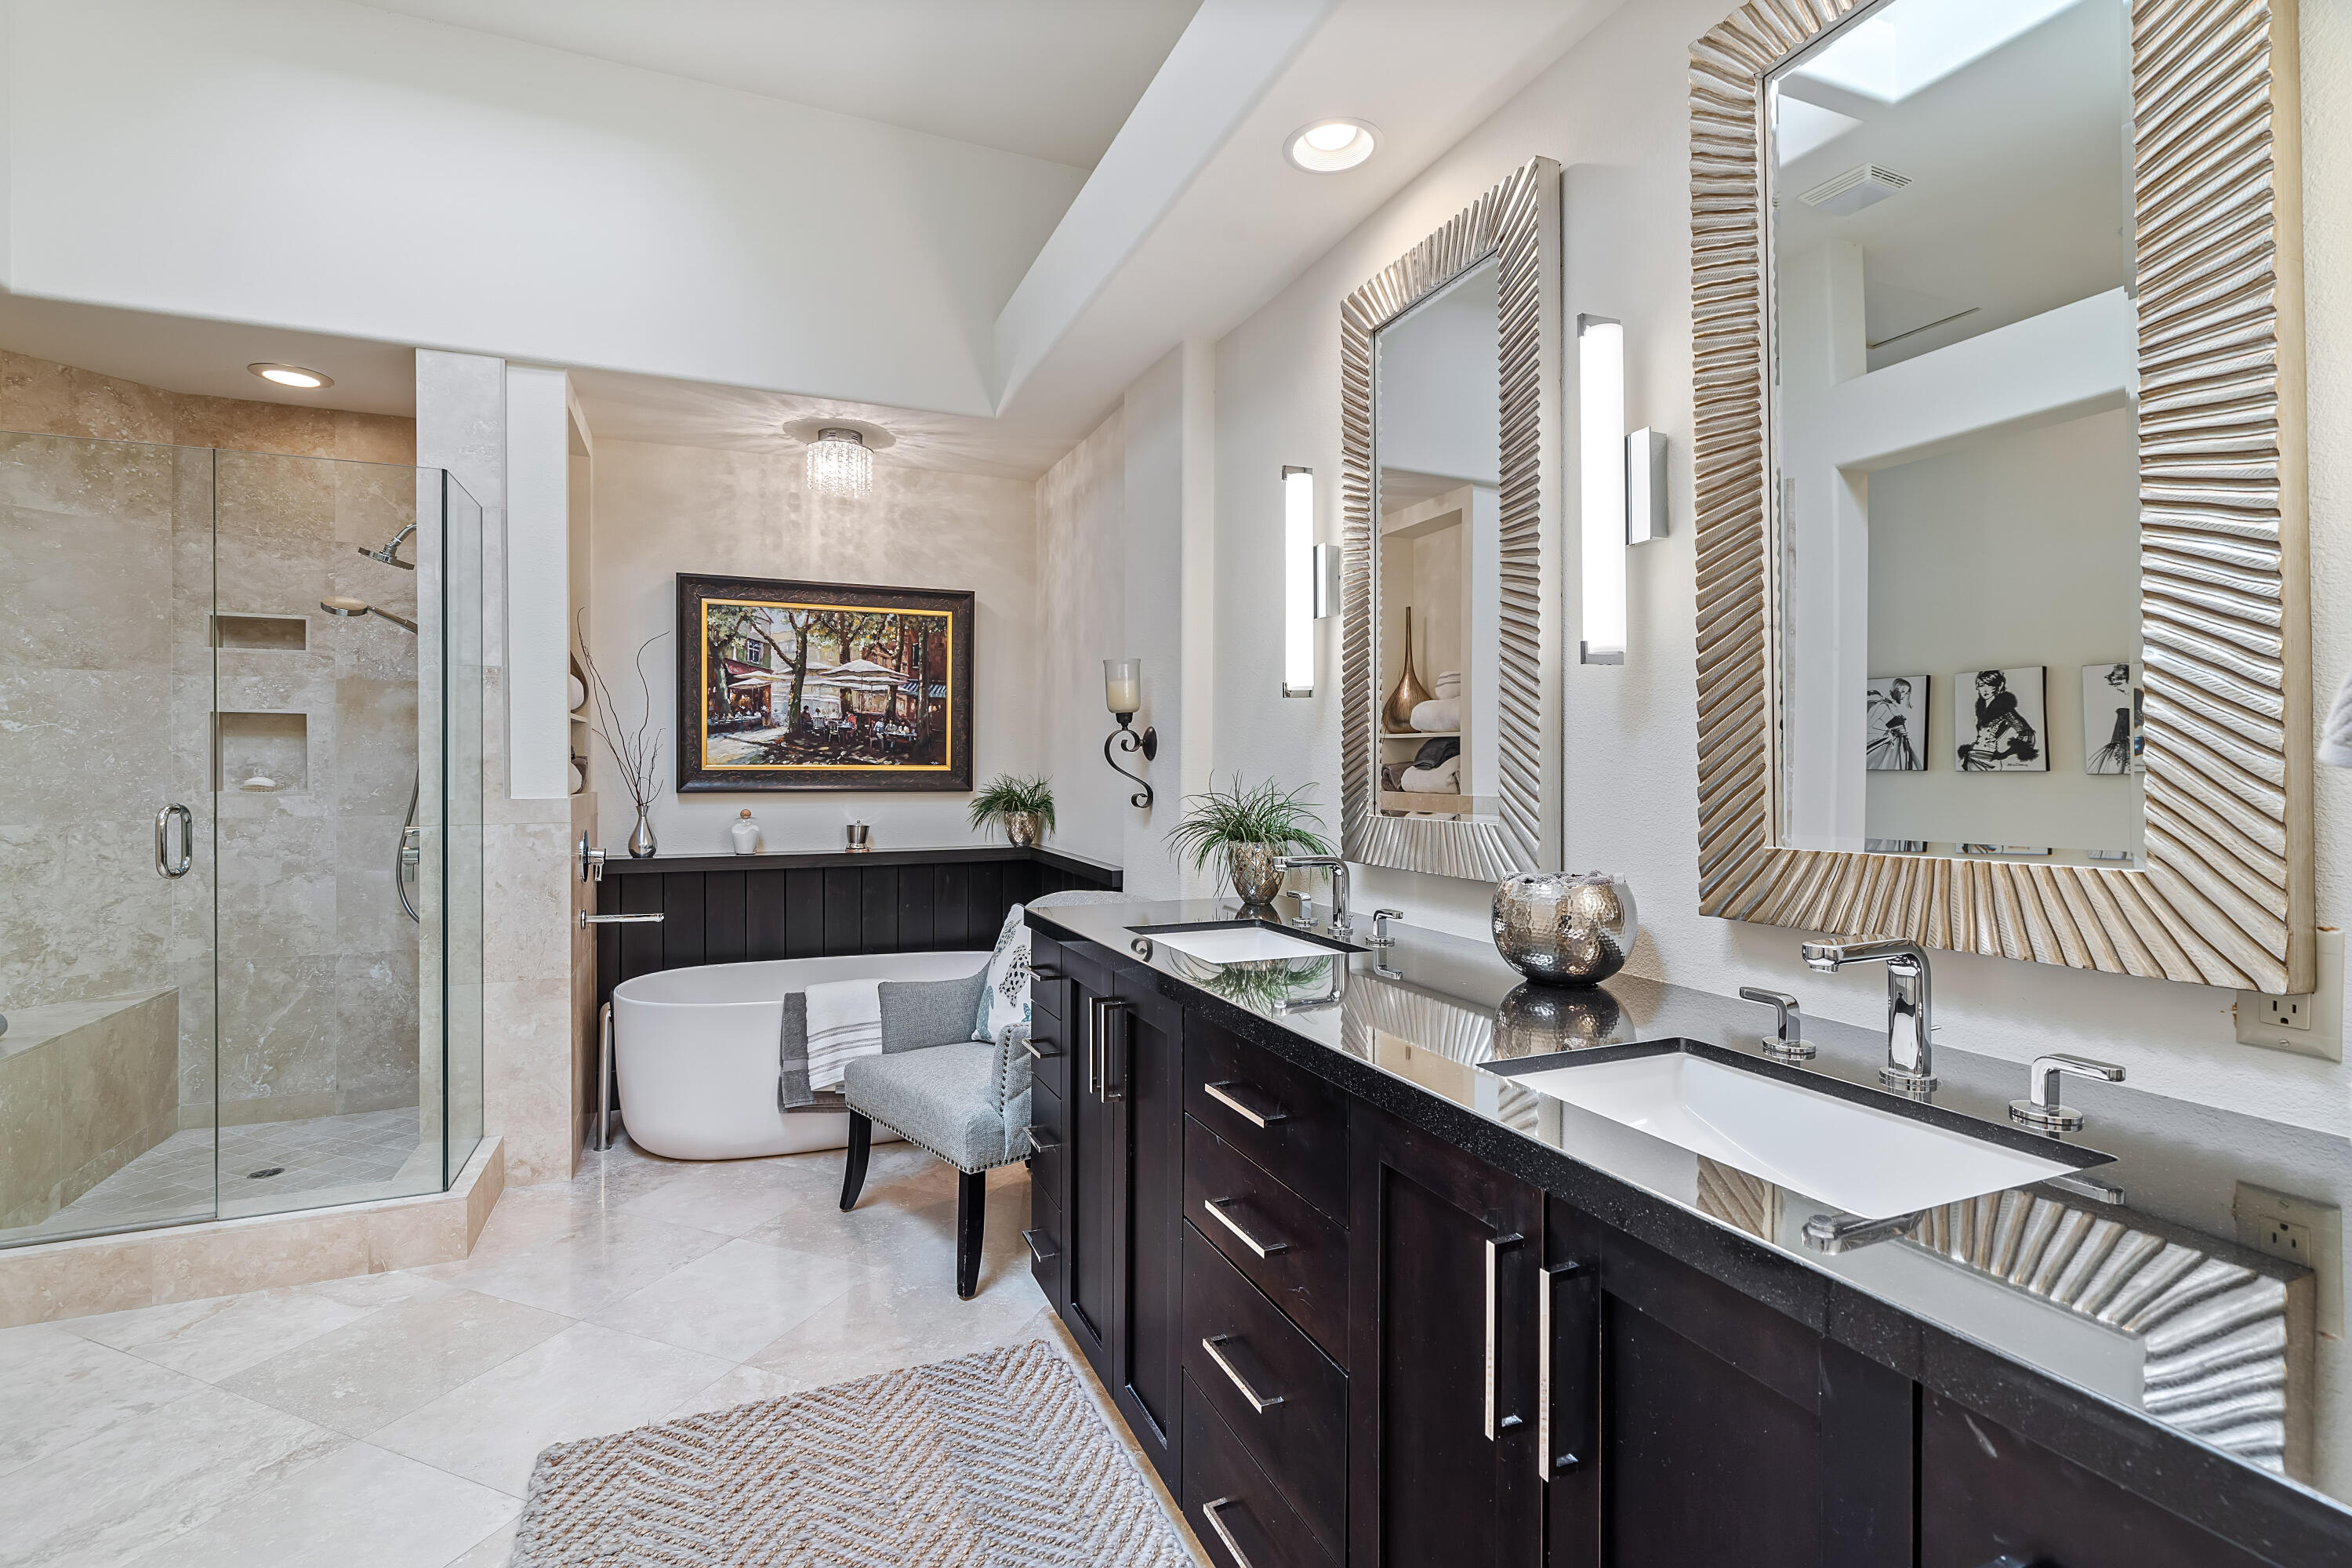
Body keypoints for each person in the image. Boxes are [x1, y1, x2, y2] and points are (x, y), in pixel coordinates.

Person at [1958, 670, 2038, 770]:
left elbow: (2027, 734)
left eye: (1990, 685)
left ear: (1998, 686)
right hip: (1972, 756)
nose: (1985, 690)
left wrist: (2005, 754)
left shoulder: (2005, 709)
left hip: (1988, 758)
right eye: (1981, 685)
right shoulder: (1981, 709)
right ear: (1977, 687)